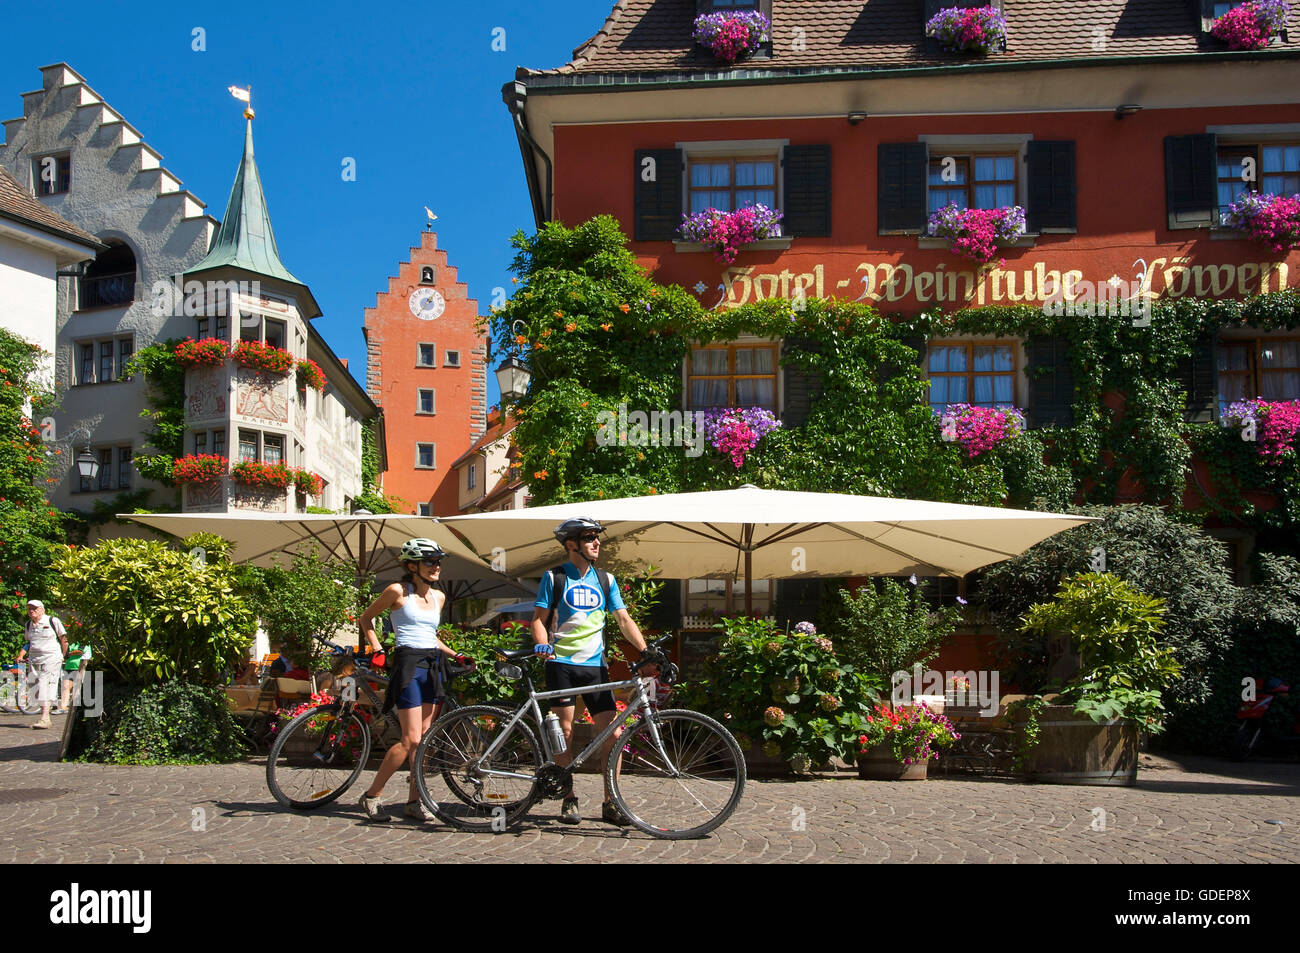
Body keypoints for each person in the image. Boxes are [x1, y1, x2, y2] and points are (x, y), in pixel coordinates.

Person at [530, 517, 654, 826]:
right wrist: (542, 644)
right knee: (565, 733)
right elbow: (537, 619)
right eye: (589, 538)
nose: (596, 543)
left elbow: (623, 619)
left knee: (612, 734)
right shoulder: (554, 577)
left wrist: (646, 651)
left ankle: (611, 801)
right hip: (561, 664)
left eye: (597, 537)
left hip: (595, 667)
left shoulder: (605, 580)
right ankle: (568, 797)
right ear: (571, 544)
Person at [356, 538, 465, 823]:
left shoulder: (438, 597)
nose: (436, 567)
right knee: (410, 739)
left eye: (438, 562)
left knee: (424, 741)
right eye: (429, 561)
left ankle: (414, 802)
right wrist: (377, 648)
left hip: (432, 664)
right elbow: (365, 619)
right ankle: (371, 796)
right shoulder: (396, 591)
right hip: (408, 665)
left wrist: (457, 654)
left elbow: (431, 637)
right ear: (412, 565)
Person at [16, 600, 66, 729]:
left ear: (42, 609)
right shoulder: (28, 625)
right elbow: (29, 643)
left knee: (44, 685)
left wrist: (62, 656)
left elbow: (63, 640)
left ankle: (45, 718)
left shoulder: (52, 621)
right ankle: (46, 711)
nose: (31, 610)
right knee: (34, 687)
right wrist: (21, 655)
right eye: (29, 608)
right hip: (34, 660)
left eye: (34, 608)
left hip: (51, 658)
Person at [58, 637, 91, 714]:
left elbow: (80, 651)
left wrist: (67, 654)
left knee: (77, 688)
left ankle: (75, 709)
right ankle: (63, 707)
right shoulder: (69, 641)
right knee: (65, 686)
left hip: (80, 666)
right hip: (69, 666)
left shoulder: (84, 640)